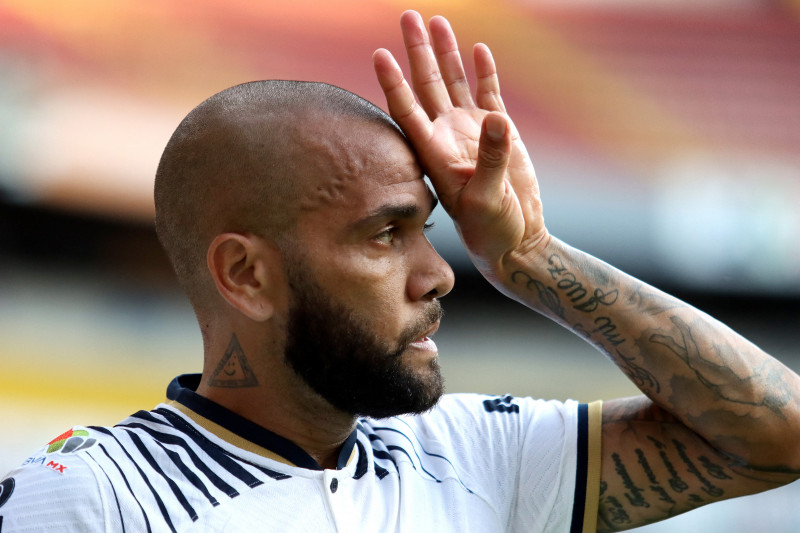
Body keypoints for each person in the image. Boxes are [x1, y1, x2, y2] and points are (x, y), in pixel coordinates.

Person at [1, 9, 798, 533]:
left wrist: (531, 259)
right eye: (385, 236)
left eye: (428, 231)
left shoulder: (481, 453)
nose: (439, 274)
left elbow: (777, 435)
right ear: (245, 274)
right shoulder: (91, 497)